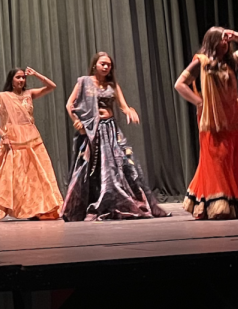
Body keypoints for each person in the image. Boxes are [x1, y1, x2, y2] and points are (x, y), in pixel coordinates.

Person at [175, 27, 238, 220]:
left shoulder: (232, 62)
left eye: (227, 41)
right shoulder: (200, 62)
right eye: (221, 40)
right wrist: (200, 102)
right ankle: (219, 203)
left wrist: (237, 36)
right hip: (213, 119)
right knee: (218, 158)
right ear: (212, 42)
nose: (225, 44)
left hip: (234, 118)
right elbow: (179, 84)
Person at [62, 52, 169, 221]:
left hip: (110, 129)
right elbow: (70, 104)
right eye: (102, 64)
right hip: (91, 131)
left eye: (109, 65)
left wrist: (129, 111)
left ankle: (118, 202)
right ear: (95, 65)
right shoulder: (84, 82)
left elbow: (123, 106)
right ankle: (93, 203)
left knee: (123, 164)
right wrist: (77, 121)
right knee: (91, 169)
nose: (106, 67)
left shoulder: (112, 85)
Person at [0, 67, 62, 221]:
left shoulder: (29, 94)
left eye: (23, 77)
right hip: (14, 140)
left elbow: (52, 86)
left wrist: (36, 74)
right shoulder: (4, 97)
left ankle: (38, 209)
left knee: (37, 175)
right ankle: (23, 209)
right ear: (11, 80)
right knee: (18, 177)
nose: (22, 80)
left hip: (32, 138)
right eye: (18, 77)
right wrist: (4, 136)